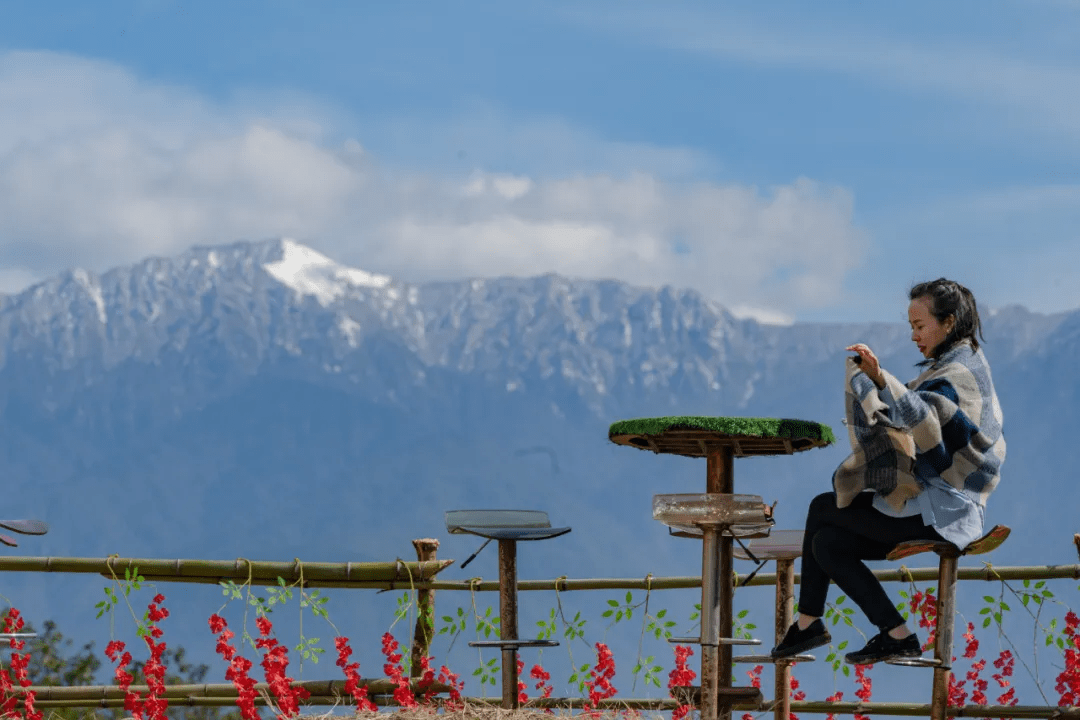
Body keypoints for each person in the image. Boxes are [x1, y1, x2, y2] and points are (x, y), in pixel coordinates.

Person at [770, 278, 1006, 665]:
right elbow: (916, 413)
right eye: (911, 327)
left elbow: (924, 419)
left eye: (920, 325)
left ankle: (808, 624)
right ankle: (896, 634)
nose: (914, 335)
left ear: (948, 323)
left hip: (947, 510)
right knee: (826, 543)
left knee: (824, 508)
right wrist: (878, 383)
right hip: (935, 504)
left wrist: (880, 380)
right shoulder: (952, 366)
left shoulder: (958, 373)